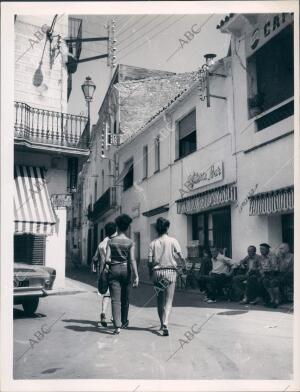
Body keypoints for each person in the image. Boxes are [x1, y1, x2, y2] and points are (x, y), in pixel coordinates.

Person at [148, 217, 186, 336]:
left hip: (157, 273)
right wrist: (183, 266)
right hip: (170, 273)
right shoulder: (173, 240)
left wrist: (151, 272)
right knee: (169, 300)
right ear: (167, 228)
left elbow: (150, 261)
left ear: (157, 229)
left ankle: (161, 323)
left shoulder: (153, 243)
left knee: (160, 300)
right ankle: (166, 323)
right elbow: (181, 257)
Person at [105, 214, 139, 334]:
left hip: (113, 270)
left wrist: (114, 261)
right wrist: (136, 275)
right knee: (125, 297)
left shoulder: (111, 241)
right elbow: (132, 259)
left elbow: (107, 259)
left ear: (117, 228)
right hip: (126, 271)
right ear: (127, 227)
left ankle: (117, 326)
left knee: (115, 299)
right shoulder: (130, 242)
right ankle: (124, 321)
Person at [92, 222, 117, 327]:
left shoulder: (101, 243)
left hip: (103, 272)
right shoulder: (115, 242)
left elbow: (95, 258)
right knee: (115, 295)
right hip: (114, 270)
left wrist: (95, 267)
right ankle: (114, 317)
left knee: (106, 294)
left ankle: (103, 313)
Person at [259, 243, 280, 308]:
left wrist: (266, 272)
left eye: (263, 249)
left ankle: (277, 300)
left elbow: (274, 268)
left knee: (273, 282)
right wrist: (261, 272)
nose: (261, 251)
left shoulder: (272, 256)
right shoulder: (261, 257)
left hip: (275, 274)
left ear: (267, 249)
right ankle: (272, 299)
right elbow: (261, 267)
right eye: (260, 249)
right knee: (264, 281)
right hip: (266, 274)